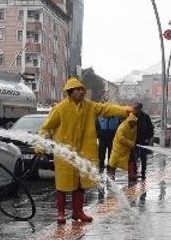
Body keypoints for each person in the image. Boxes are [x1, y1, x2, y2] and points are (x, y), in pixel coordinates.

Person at [38, 77, 131, 223]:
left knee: (80, 184)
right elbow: (46, 128)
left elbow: (106, 108)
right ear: (70, 92)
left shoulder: (89, 106)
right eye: (78, 90)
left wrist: (125, 110)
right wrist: (39, 145)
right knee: (62, 185)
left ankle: (78, 212)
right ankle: (61, 213)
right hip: (65, 153)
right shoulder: (60, 109)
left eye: (82, 89)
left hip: (83, 153)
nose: (81, 92)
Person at [107, 111, 139, 183]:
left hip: (128, 146)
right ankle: (111, 174)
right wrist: (131, 143)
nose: (134, 124)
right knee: (113, 161)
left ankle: (131, 174)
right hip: (119, 147)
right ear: (130, 121)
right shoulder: (122, 127)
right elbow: (121, 138)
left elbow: (134, 136)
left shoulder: (134, 126)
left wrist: (133, 143)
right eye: (133, 122)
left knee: (132, 159)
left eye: (135, 122)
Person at [134, 102, 154, 180]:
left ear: (140, 108)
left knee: (143, 157)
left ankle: (143, 171)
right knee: (134, 157)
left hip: (143, 140)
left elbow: (150, 128)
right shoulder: (132, 116)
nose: (135, 109)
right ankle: (134, 171)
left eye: (137, 108)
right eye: (135, 108)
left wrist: (148, 138)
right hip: (134, 140)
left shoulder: (145, 117)